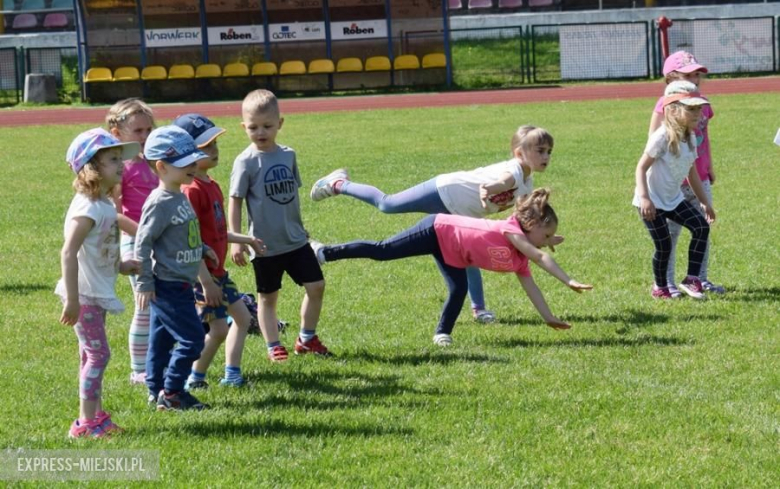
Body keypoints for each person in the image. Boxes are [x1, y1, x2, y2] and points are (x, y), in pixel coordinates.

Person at [309, 125, 561, 324]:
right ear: (519, 153)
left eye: (549, 151)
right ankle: (338, 183)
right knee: (387, 204)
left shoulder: (527, 185)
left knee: (469, 258)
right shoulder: (514, 170)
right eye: (540, 150)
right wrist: (490, 188)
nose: (546, 156)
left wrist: (546, 238)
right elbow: (504, 181)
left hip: (461, 215)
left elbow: (519, 224)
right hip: (444, 191)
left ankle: (479, 309)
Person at [311, 188, 592, 346]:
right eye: (545, 235)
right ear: (529, 226)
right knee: (383, 251)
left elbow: (532, 288)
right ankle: (324, 252)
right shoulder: (511, 231)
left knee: (458, 289)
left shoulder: (521, 258)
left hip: (453, 254)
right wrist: (568, 280)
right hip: (437, 230)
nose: (546, 242)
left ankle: (441, 333)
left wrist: (548, 317)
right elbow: (541, 257)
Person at [229, 89, 332, 361]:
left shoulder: (288, 155)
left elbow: (291, 197)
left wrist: (300, 227)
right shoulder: (245, 161)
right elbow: (235, 201)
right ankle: (273, 345)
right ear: (243, 126)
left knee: (316, 286)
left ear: (280, 124)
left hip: (295, 240)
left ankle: (307, 339)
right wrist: (237, 240)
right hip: (264, 245)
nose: (260, 132)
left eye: (267, 125)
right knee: (268, 297)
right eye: (253, 127)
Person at [57, 128, 141, 437]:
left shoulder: (103, 203)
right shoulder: (87, 208)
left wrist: (122, 266)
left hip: (95, 291)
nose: (121, 165)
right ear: (91, 167)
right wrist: (72, 299)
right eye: (113, 159)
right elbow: (69, 252)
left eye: (120, 158)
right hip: (83, 294)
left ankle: (96, 416)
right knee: (98, 355)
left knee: (89, 354)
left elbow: (99, 248)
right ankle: (85, 423)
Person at [172, 113, 266, 389]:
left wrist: (246, 240)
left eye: (214, 143)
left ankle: (232, 375)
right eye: (205, 146)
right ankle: (194, 377)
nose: (214, 150)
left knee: (243, 318)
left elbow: (217, 231)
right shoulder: (191, 191)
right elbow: (190, 241)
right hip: (202, 276)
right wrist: (205, 281)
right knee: (218, 329)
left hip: (218, 274)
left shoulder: (211, 185)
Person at [135, 126, 219, 411]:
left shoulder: (179, 195)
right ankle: (172, 392)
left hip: (181, 283)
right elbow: (143, 243)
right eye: (185, 164)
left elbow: (181, 234)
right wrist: (144, 282)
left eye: (194, 160)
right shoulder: (159, 203)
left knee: (161, 341)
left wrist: (202, 249)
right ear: (161, 167)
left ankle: (155, 389)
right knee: (193, 340)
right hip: (167, 285)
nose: (193, 167)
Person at [648, 51, 724, 296]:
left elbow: (704, 138)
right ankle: (666, 282)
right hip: (674, 180)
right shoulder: (666, 105)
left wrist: (709, 166)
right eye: (688, 75)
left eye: (697, 74)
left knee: (703, 227)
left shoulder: (703, 105)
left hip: (698, 176)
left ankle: (699, 278)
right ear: (671, 78)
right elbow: (653, 143)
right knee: (670, 234)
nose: (695, 79)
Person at [635, 80, 716, 300]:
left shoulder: (690, 137)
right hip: (652, 202)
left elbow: (692, 173)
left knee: (701, 227)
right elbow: (641, 168)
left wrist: (704, 202)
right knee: (664, 245)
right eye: (691, 109)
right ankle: (660, 288)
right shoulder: (661, 137)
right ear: (672, 110)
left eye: (699, 108)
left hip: (673, 199)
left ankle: (692, 279)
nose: (698, 113)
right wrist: (644, 198)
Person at [105, 98, 158, 384]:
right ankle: (139, 370)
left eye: (149, 129)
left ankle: (161, 360)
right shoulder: (120, 169)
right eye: (138, 131)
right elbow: (114, 215)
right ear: (117, 134)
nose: (145, 136)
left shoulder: (155, 163)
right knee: (145, 304)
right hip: (135, 241)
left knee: (164, 301)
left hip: (161, 241)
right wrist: (139, 234)